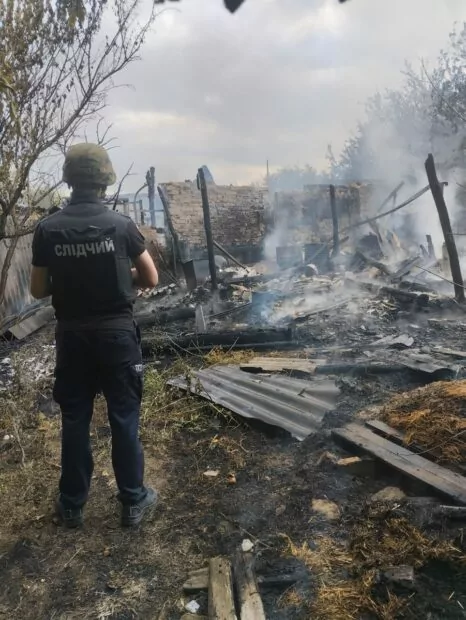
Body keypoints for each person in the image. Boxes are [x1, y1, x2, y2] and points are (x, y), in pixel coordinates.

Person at [30, 143, 159, 528]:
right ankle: (133, 502)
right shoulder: (121, 225)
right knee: (123, 416)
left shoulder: (47, 229)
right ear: (105, 179)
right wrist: (121, 276)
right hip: (117, 337)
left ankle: (72, 505)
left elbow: (37, 289)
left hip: (73, 338)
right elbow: (151, 278)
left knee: (75, 418)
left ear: (69, 180)